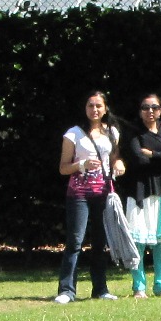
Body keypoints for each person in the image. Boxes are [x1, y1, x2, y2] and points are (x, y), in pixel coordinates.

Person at [56, 92, 123, 304]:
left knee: (100, 242)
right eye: (90, 105)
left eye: (98, 106)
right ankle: (67, 290)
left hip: (103, 192)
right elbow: (63, 168)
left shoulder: (112, 132)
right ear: (85, 108)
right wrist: (81, 165)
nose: (94, 109)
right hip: (79, 193)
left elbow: (114, 158)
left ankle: (100, 289)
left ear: (105, 108)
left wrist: (119, 164)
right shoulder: (74, 134)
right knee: (75, 241)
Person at [123, 93, 161, 298]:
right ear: (140, 111)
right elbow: (138, 159)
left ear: (160, 110)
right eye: (145, 107)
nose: (150, 111)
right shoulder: (133, 131)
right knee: (138, 241)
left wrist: (153, 154)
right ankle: (139, 287)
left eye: (155, 107)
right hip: (140, 190)